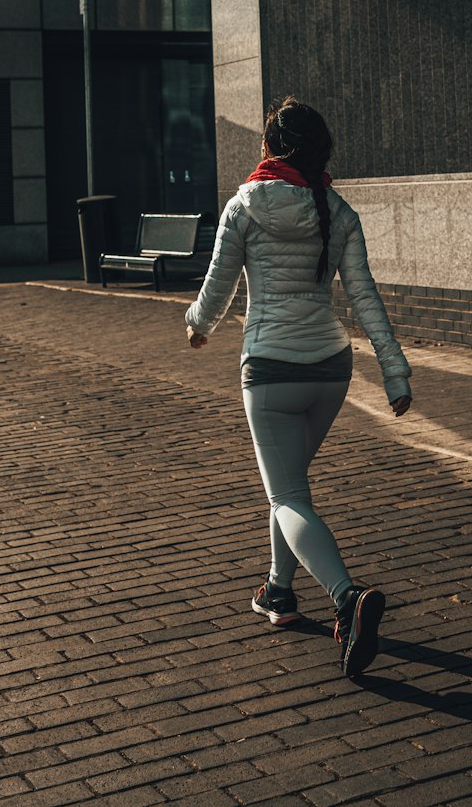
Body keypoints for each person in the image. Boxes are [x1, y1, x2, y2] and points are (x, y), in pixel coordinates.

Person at [185, 96, 412, 677]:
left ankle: (346, 598)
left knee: (285, 495)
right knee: (290, 488)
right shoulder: (338, 211)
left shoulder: (244, 205)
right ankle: (278, 593)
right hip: (331, 370)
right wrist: (394, 372)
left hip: (271, 371)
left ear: (269, 147)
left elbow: (217, 287)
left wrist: (197, 325)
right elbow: (365, 298)